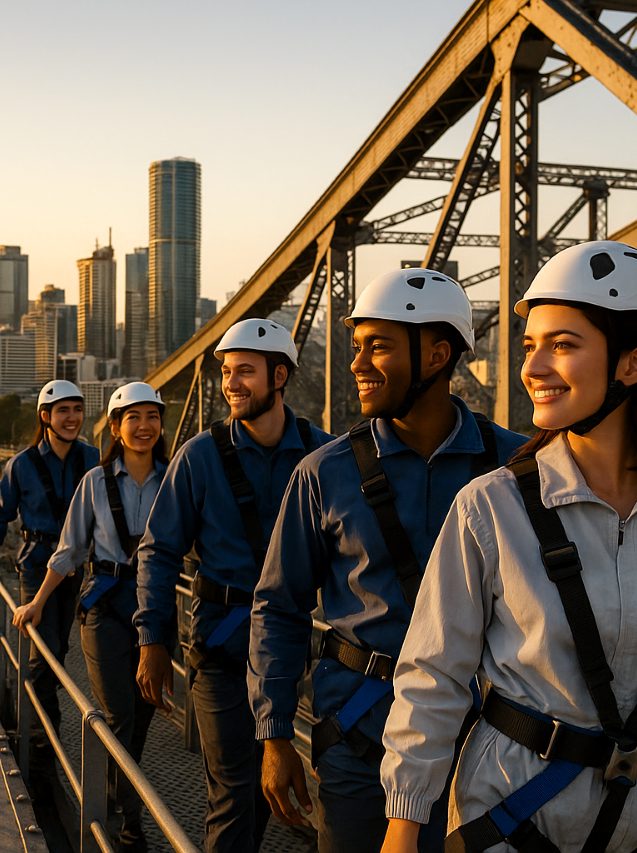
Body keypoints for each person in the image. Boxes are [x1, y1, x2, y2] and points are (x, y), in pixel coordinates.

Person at [379, 241, 637, 853]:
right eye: (531, 346)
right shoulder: (490, 506)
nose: (534, 366)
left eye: (563, 344)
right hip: (508, 819)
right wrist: (403, 825)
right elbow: (434, 678)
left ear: (633, 365)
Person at [248, 268, 527, 853]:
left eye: (378, 345)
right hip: (359, 736)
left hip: (483, 740)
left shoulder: (515, 469)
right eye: (356, 347)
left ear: (437, 355)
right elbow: (280, 606)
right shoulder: (324, 473)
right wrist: (275, 736)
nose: (357, 364)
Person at [135, 318, 332, 853]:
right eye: (226, 372)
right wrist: (152, 639)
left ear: (281, 375)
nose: (231, 384)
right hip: (221, 647)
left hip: (294, 649)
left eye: (245, 371)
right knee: (236, 790)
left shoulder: (325, 456)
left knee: (280, 789)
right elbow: (158, 549)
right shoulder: (199, 455)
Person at [13, 382, 170, 853]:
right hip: (103, 606)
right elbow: (69, 551)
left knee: (143, 716)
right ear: (117, 428)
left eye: (152, 417)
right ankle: (130, 821)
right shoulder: (96, 483)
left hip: (157, 608)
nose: (144, 427)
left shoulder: (177, 478)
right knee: (119, 714)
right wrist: (38, 601)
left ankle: (113, 795)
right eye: (133, 418)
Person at [0, 379, 101, 747]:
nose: (72, 417)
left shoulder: (94, 459)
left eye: (77, 410)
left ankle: (44, 721)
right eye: (63, 410)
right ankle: (38, 737)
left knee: (59, 649)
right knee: (42, 653)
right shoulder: (21, 465)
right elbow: (0, 514)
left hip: (81, 568)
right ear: (45, 416)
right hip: (36, 566)